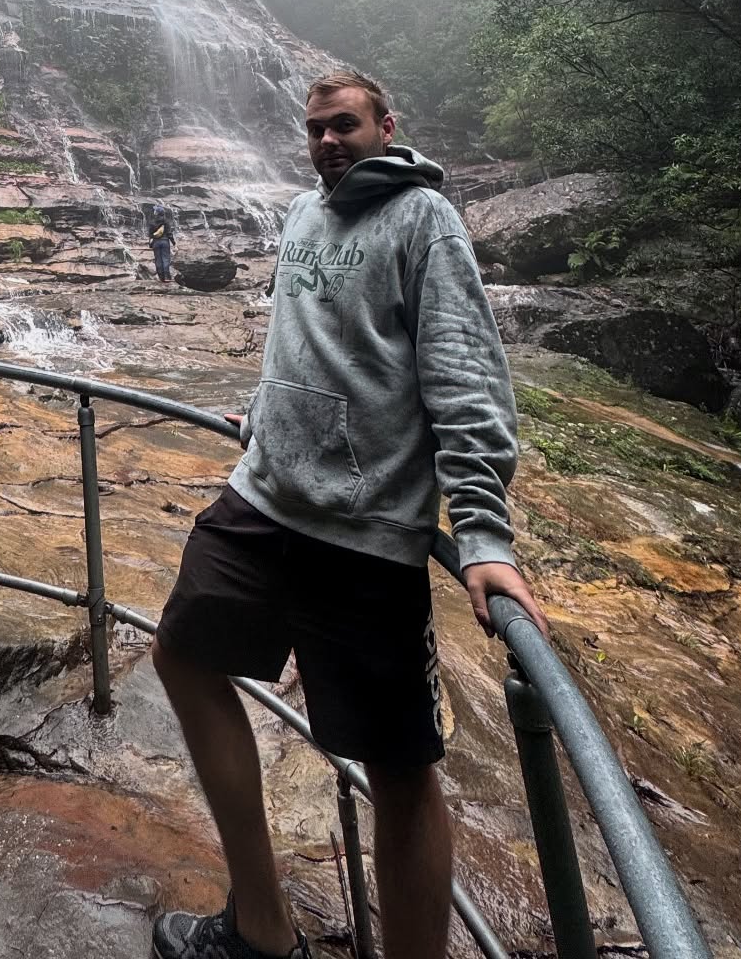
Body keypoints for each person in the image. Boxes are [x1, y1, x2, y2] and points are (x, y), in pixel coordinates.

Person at [150, 67, 547, 959]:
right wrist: (269, 416)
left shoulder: (424, 220)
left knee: (399, 772)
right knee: (180, 655)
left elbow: (465, 377)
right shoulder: (300, 214)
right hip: (261, 501)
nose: (328, 141)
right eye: (316, 129)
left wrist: (481, 533)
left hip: (366, 535)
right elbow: (309, 338)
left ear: (385, 125)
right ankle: (260, 927)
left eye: (345, 125)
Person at [148, 199, 177, 283]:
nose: (154, 212)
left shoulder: (152, 222)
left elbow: (150, 235)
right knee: (165, 259)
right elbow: (169, 234)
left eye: (155, 211)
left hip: (156, 243)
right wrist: (174, 243)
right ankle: (167, 277)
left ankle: (161, 278)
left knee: (158, 259)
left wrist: (150, 245)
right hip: (165, 242)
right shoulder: (166, 222)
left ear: (156, 213)